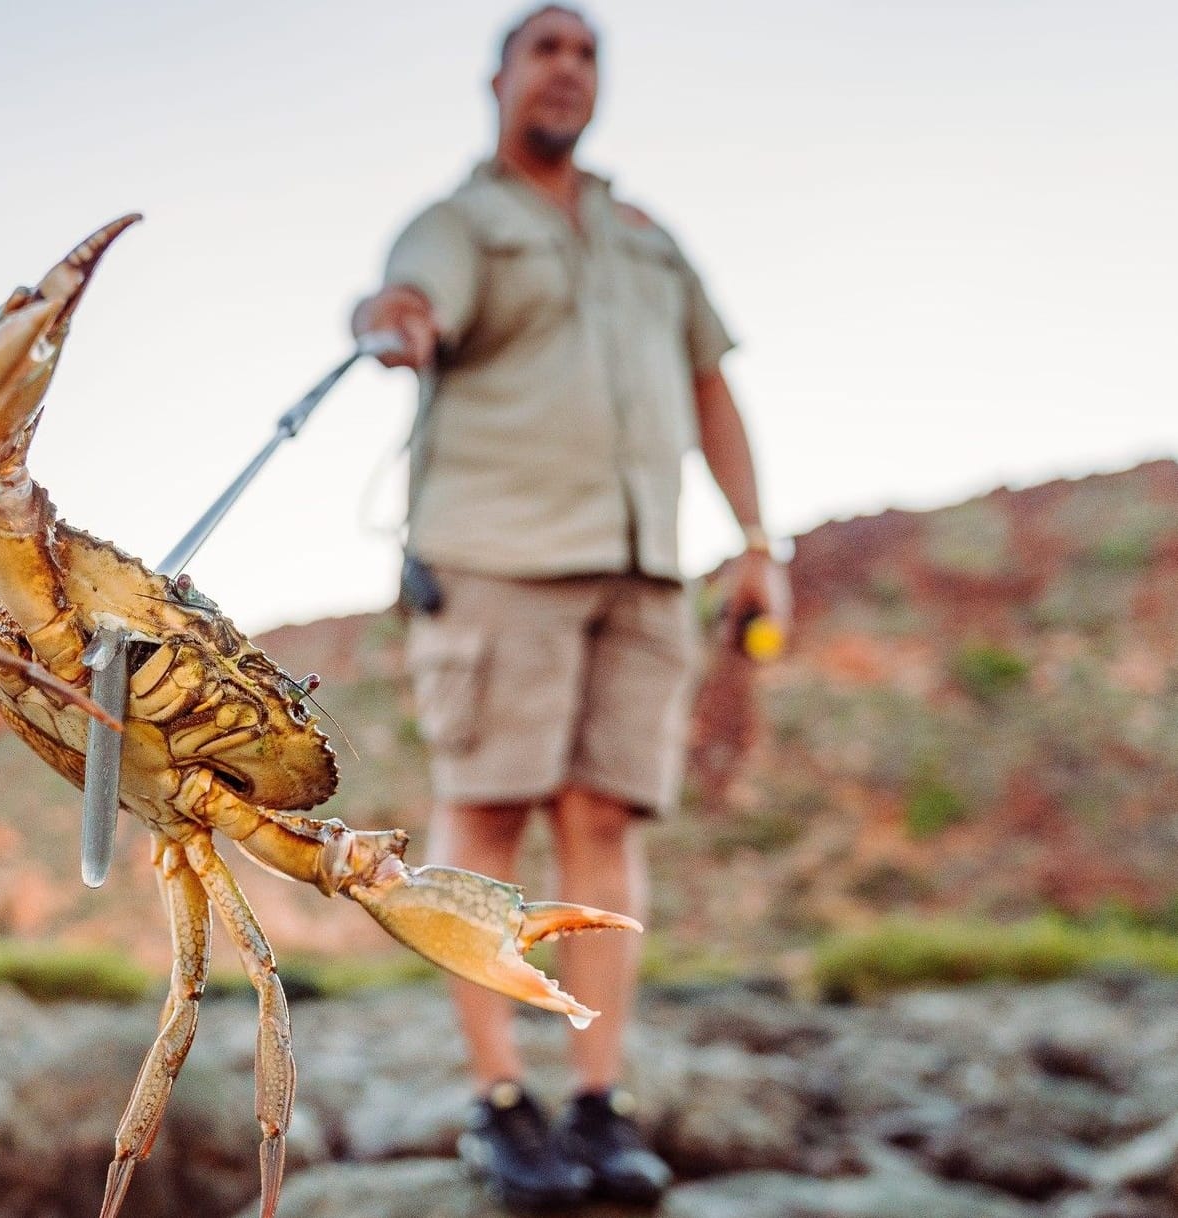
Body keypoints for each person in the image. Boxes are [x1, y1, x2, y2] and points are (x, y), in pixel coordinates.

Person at [351, 5, 790, 1210]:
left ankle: (600, 1102)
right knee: (485, 816)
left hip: (647, 566)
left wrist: (756, 543)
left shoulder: (646, 236)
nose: (568, 69)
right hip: (499, 558)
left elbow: (711, 383)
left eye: (587, 52)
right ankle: (502, 1106)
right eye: (545, 48)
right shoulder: (458, 223)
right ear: (498, 78)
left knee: (607, 824)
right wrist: (392, 322)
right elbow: (409, 297)